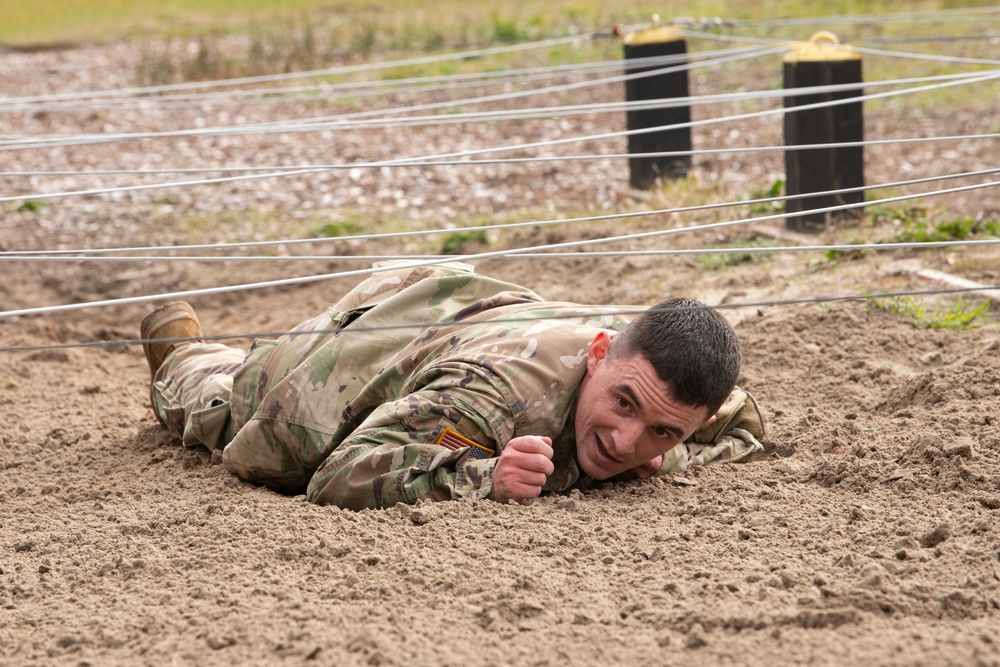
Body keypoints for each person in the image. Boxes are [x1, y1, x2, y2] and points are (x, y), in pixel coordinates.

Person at [141, 261, 765, 510]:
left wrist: (668, 453)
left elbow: (745, 425)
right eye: (623, 404)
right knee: (234, 415)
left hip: (452, 329)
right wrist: (482, 476)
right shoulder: (495, 401)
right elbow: (341, 472)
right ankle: (184, 356)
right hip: (333, 369)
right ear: (599, 355)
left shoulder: (675, 386)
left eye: (661, 430)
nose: (626, 439)